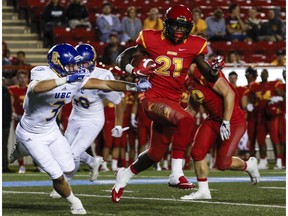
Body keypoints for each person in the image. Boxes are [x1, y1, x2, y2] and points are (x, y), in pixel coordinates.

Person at [8, 43, 151, 214]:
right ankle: (75, 203)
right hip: (31, 132)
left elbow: (106, 84)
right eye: (70, 65)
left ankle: (22, 150)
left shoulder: (75, 77)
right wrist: (66, 79)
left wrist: (134, 87)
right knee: (56, 174)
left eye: (75, 64)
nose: (75, 68)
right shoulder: (42, 72)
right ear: (57, 63)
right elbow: (36, 88)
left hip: (51, 129)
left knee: (68, 167)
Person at [111, 4, 222, 203]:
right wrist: (134, 70)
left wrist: (214, 70)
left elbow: (209, 75)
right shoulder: (150, 38)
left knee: (155, 154)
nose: (179, 31)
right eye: (176, 26)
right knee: (186, 120)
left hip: (173, 101)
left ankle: (124, 176)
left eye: (183, 27)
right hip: (151, 97)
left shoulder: (195, 45)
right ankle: (175, 174)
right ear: (166, 25)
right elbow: (122, 57)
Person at [49, 43, 127, 198]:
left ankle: (65, 184)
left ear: (93, 61)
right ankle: (92, 162)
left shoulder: (103, 76)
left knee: (71, 154)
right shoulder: (70, 71)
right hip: (75, 116)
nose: (82, 66)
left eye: (85, 62)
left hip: (93, 119)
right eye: (79, 63)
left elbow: (119, 101)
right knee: (64, 150)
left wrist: (119, 124)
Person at [180, 57, 260, 200]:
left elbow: (229, 93)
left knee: (222, 164)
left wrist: (226, 122)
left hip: (232, 119)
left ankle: (249, 165)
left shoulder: (203, 72)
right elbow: (193, 108)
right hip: (213, 119)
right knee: (197, 152)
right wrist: (175, 117)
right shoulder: (189, 80)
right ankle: (203, 191)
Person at [245, 69, 284, 169]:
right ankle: (263, 160)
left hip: (271, 116)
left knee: (275, 139)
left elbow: (282, 94)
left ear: (268, 74)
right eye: (262, 73)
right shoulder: (255, 86)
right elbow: (251, 96)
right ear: (260, 75)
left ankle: (279, 160)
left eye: (265, 73)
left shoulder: (274, 84)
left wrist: (280, 98)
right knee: (260, 139)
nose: (264, 75)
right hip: (260, 116)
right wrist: (249, 103)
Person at [8, 70, 29, 173]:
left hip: (30, 119)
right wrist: (13, 113)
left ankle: (39, 165)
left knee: (34, 142)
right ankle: (21, 165)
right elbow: (11, 104)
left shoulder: (31, 88)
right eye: (20, 77)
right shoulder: (13, 89)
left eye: (24, 77)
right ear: (17, 79)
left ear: (27, 78)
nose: (22, 79)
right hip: (19, 119)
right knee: (20, 142)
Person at [3, 79, 13, 173]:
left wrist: (9, 120)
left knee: (4, 145)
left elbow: (9, 107)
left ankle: (4, 166)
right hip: (5, 122)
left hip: (5, 123)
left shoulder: (6, 91)